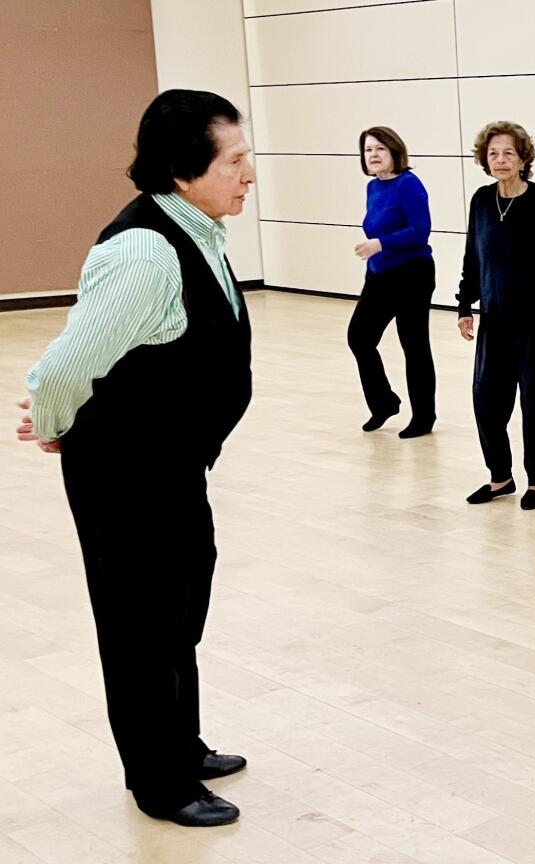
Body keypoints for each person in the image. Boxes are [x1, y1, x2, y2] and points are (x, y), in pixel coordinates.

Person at [15, 90, 256, 826]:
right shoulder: (145, 250)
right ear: (184, 170)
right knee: (141, 621)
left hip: (172, 464)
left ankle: (178, 741)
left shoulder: (200, 228)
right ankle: (160, 781)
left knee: (181, 601)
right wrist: (58, 424)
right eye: (236, 161)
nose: (250, 174)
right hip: (126, 474)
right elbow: (61, 369)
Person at [456, 121, 535, 510]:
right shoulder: (480, 201)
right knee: (486, 401)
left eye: (508, 153)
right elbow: (473, 257)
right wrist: (464, 305)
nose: (500, 160)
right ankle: (500, 477)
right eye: (493, 154)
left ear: (523, 158)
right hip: (494, 318)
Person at [347, 126, 437, 437]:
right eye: (368, 150)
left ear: (394, 152)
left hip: (413, 273)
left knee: (414, 345)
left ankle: (424, 417)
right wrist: (375, 252)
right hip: (380, 274)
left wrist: (380, 244)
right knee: (359, 337)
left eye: (379, 149)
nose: (372, 155)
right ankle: (384, 402)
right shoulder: (373, 188)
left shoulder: (409, 184)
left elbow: (420, 230)